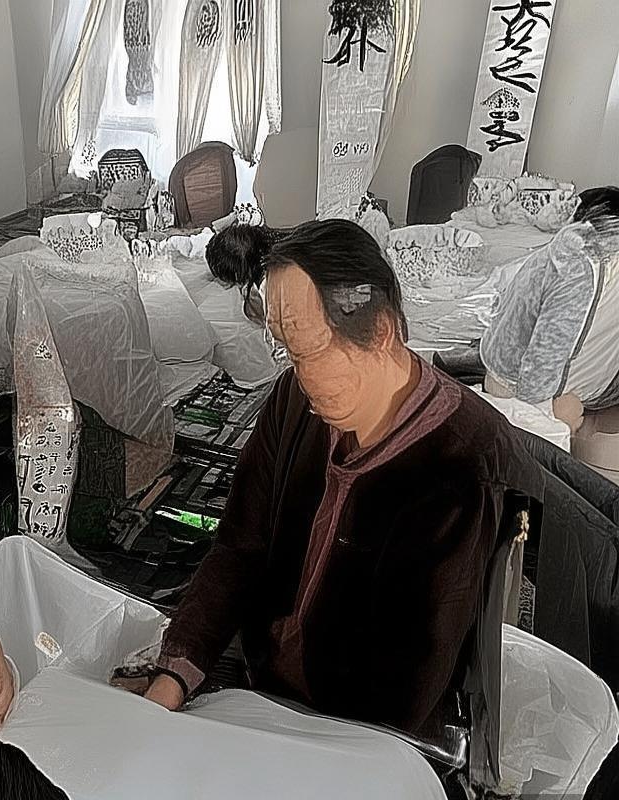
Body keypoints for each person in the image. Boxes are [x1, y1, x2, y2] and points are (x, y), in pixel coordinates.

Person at [144, 219, 540, 739]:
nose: (295, 371)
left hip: (357, 731)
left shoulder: (462, 463)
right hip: (261, 685)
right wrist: (175, 673)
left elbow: (404, 688)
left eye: (307, 352)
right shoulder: (294, 398)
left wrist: (282, 738)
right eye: (285, 349)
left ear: (380, 332)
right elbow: (241, 543)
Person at [481, 186, 619, 432]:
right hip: (524, 394)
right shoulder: (579, 271)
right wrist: (541, 419)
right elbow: (542, 362)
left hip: (517, 375)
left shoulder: (576, 257)